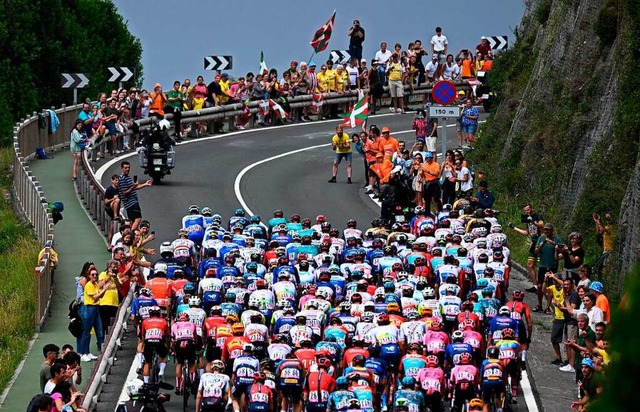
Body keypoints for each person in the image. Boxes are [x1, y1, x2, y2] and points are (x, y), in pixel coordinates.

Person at [510, 204, 544, 297]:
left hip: (541, 241)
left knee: (541, 266)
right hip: (533, 242)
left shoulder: (537, 216)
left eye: (528, 210)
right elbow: (526, 232)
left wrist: (533, 221)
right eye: (525, 211)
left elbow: (542, 224)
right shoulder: (527, 219)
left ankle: (542, 286)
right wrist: (514, 228)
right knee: (530, 265)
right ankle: (535, 285)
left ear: (532, 209)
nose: (526, 212)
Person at [535, 223, 563, 313]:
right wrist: (542, 245)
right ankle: (539, 304)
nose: (546, 231)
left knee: (551, 287)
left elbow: (561, 249)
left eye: (548, 230)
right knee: (539, 286)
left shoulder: (557, 239)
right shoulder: (541, 238)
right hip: (542, 265)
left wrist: (552, 243)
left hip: (552, 265)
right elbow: (536, 251)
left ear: (552, 231)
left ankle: (547, 307)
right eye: (545, 230)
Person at [117, 161, 152, 231]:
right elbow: (124, 193)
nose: (127, 169)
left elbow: (135, 187)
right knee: (138, 219)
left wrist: (145, 184)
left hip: (133, 202)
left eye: (128, 168)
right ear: (122, 169)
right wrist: (133, 186)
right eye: (125, 168)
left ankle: (131, 235)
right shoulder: (122, 179)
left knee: (133, 221)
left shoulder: (128, 177)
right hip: (130, 203)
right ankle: (131, 235)